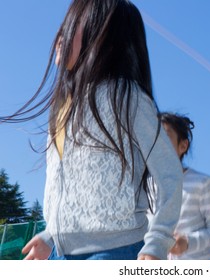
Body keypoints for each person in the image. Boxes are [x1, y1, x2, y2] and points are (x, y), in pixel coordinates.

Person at [0, 0, 183, 260]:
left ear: (103, 37)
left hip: (114, 250)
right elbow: (70, 187)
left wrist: (157, 241)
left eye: (72, 26)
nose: (60, 36)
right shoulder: (61, 106)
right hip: (61, 254)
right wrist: (50, 235)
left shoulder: (127, 98)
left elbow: (170, 176)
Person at [151, 112, 210, 260]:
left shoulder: (202, 183)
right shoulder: (147, 187)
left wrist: (188, 242)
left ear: (183, 145)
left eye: (165, 136)